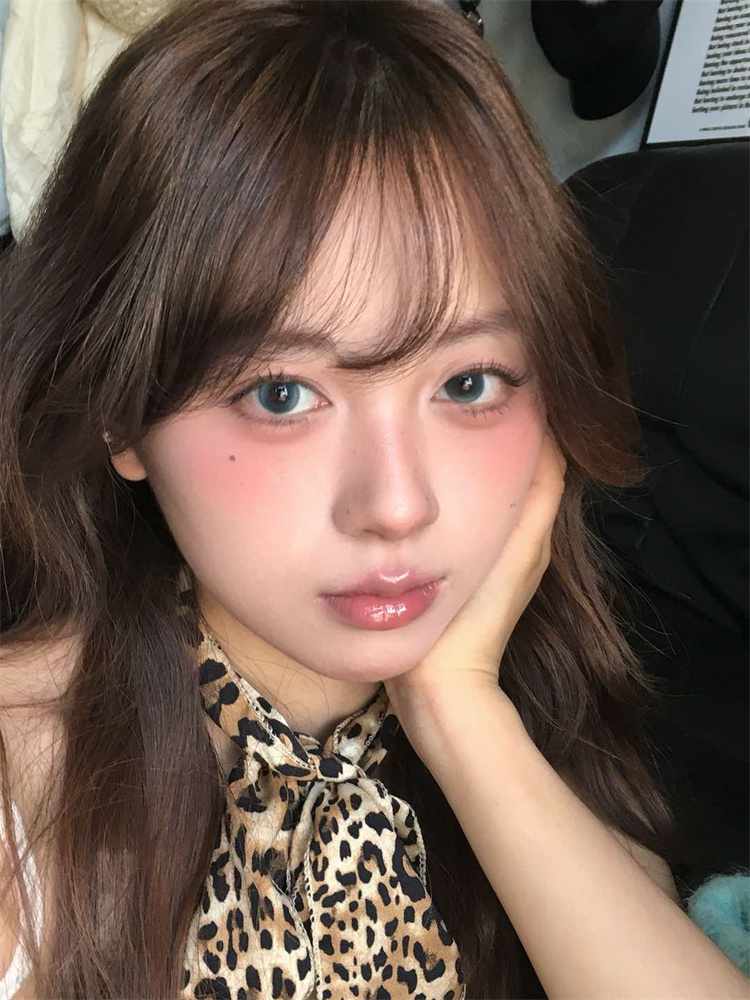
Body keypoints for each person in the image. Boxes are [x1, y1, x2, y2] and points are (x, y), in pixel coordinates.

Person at [0, 2, 746, 998]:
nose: (397, 505)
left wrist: (460, 713)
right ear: (120, 416)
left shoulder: (544, 710)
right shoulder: (23, 796)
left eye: (469, 383)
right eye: (280, 395)